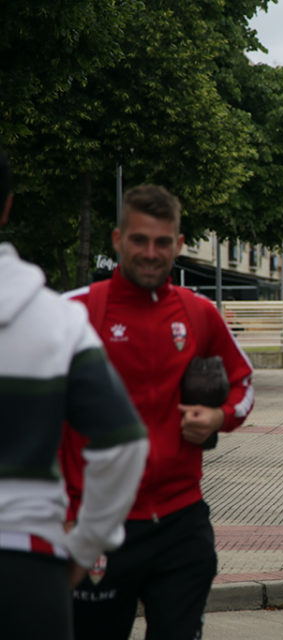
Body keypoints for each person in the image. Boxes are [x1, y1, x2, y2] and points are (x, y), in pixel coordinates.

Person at [59, 184, 255, 639]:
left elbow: (243, 383)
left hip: (180, 520)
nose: (151, 252)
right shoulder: (73, 313)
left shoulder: (199, 312)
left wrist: (221, 416)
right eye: (139, 240)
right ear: (117, 240)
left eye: (163, 242)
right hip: (99, 524)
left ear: (179, 245)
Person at [0, 145, 148, 638]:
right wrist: (87, 545)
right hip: (26, 562)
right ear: (7, 206)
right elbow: (125, 441)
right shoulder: (58, 320)